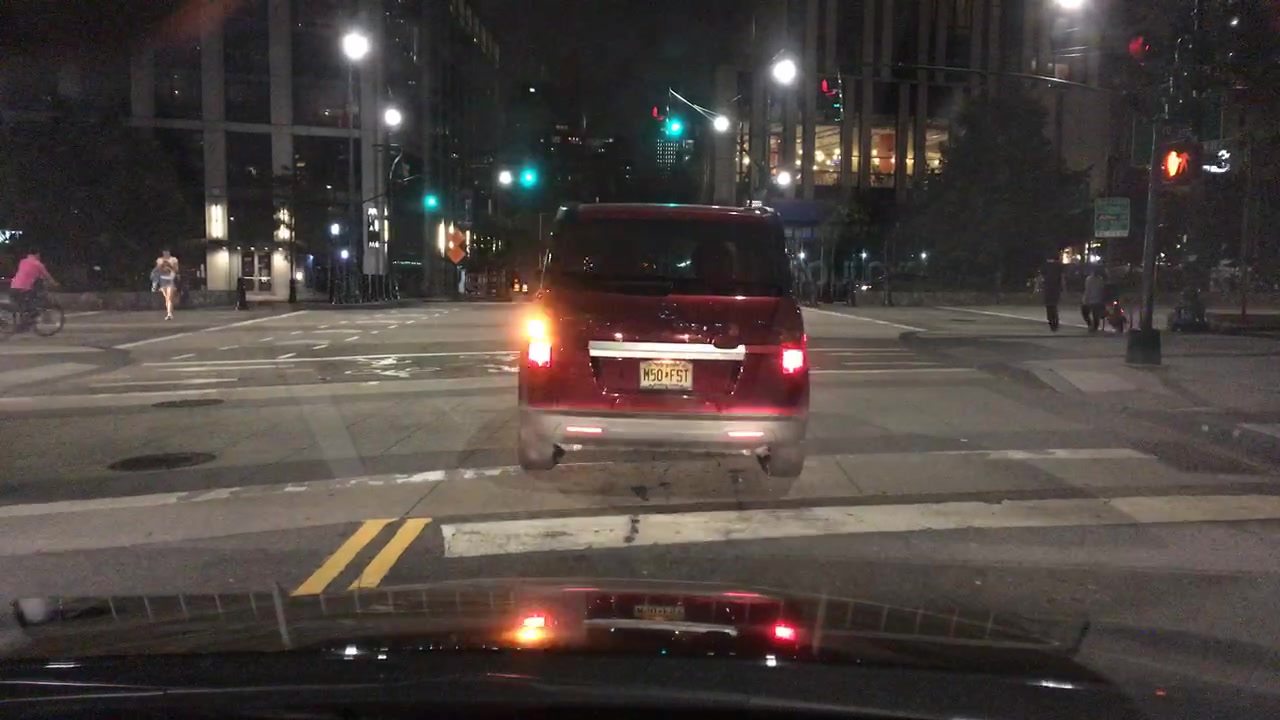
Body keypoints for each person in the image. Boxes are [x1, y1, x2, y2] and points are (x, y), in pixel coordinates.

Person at [9, 250, 59, 328]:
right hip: (24, 288)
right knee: (35, 303)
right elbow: (47, 276)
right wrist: (54, 283)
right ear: (37, 254)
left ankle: (23, 322)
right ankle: (27, 321)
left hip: (13, 286)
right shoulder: (38, 264)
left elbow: (27, 273)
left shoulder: (22, 261)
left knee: (23, 306)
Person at [152, 250, 179, 320]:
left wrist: (169, 265)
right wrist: (162, 265)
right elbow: (157, 269)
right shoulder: (160, 260)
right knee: (166, 298)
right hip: (163, 280)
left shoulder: (173, 259)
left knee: (169, 297)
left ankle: (169, 314)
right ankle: (169, 312)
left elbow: (176, 269)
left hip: (170, 279)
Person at [1082, 266, 1107, 333]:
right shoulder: (1100, 279)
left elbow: (1087, 291)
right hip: (1097, 300)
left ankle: (1091, 325)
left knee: (1086, 312)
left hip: (1092, 300)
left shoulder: (1089, 279)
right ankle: (1094, 327)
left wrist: (1085, 300)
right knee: (1095, 314)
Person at [1041, 261, 1065, 332]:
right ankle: (1055, 323)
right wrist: (1063, 289)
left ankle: (1052, 323)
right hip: (1055, 289)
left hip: (1048, 289)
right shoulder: (1058, 266)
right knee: (1053, 306)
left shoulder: (1045, 266)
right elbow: (1062, 278)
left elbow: (1041, 278)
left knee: (1049, 307)